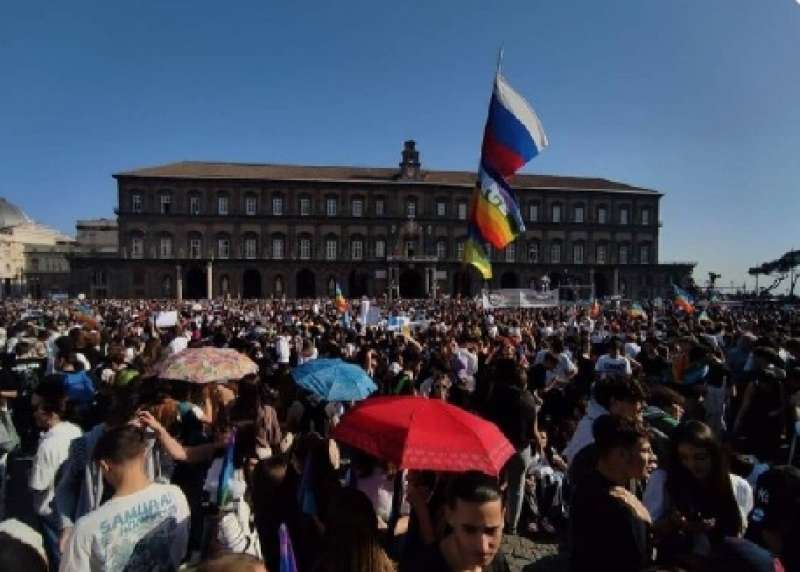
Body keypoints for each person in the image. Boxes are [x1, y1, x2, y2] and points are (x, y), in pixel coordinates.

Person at [59, 425, 190, 571]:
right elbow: (181, 549)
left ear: (104, 466)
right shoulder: (176, 495)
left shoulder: (87, 528)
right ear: (144, 453)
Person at [644, 420, 752, 562]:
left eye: (699, 457)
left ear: (713, 455)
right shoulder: (663, 481)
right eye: (684, 458)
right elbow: (648, 532)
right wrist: (675, 523)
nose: (692, 464)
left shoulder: (738, 486)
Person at [569, 415, 655, 572]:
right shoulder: (621, 508)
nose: (652, 457)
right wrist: (645, 519)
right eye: (645, 450)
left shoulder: (586, 484)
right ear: (620, 454)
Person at [404, 470, 510, 571]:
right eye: (469, 530)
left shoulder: (497, 561)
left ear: (503, 518)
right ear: (449, 516)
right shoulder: (423, 567)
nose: (482, 547)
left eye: (491, 531)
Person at [29, 378, 82, 568]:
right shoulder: (75, 430)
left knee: (57, 558)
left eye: (36, 409)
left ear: (49, 413)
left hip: (50, 513)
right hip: (73, 509)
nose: (33, 414)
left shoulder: (47, 445)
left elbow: (37, 485)